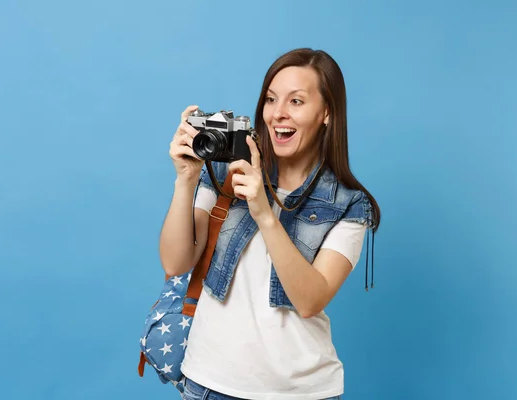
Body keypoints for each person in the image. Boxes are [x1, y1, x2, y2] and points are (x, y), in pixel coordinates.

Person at [159, 48, 381, 400]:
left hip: (302, 392)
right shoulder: (224, 169)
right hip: (208, 384)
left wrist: (264, 213)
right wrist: (186, 179)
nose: (278, 114)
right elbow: (175, 262)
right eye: (271, 99)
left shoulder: (348, 203)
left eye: (296, 101)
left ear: (326, 113)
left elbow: (309, 300)